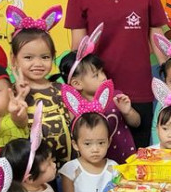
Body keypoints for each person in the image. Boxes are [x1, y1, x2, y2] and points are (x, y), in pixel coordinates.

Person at [65, 0, 167, 148]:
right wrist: (79, 95)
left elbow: (157, 35)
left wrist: (170, 76)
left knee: (140, 160)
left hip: (139, 90)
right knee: (97, 159)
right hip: (95, 95)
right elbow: (77, 49)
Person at [59, 23, 139, 164]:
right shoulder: (74, 107)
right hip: (93, 166)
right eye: (96, 75)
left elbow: (136, 123)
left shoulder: (115, 97)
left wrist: (127, 112)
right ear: (77, 83)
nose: (103, 77)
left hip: (124, 160)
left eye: (102, 72)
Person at [8, 4, 72, 169]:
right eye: (28, 57)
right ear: (14, 60)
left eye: (45, 57)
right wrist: (20, 97)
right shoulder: (12, 92)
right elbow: (16, 125)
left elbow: (75, 122)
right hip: (34, 171)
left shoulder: (62, 89)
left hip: (66, 166)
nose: (38, 63)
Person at [59, 80, 118, 192]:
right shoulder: (71, 169)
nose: (95, 149)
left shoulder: (113, 168)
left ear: (109, 142)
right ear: (75, 144)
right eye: (87, 144)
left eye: (101, 143)